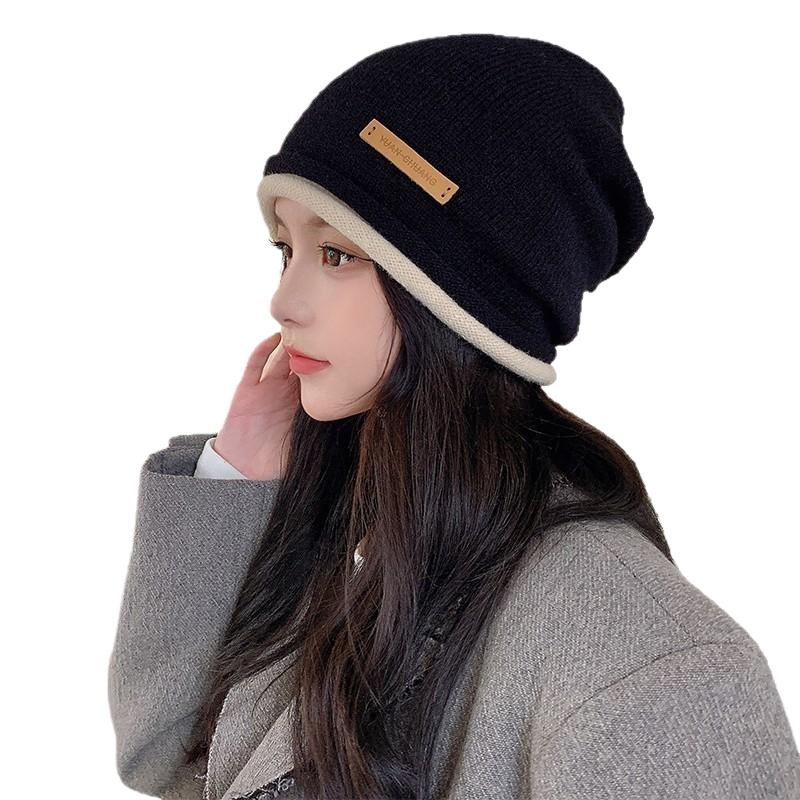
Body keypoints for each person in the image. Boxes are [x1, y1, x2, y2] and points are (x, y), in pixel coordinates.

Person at [108, 34, 800, 800]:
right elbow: (168, 757)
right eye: (284, 250)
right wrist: (235, 469)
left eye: (335, 254)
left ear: (464, 295)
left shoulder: (649, 663)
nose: (283, 301)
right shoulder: (362, 529)